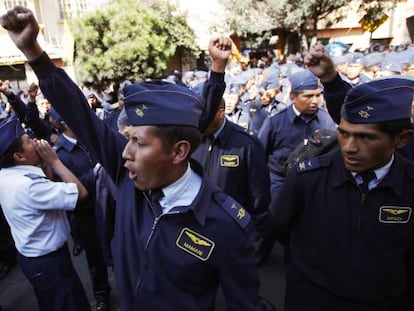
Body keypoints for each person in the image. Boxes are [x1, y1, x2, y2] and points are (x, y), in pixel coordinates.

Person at [0, 6, 263, 310]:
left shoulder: (225, 225)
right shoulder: (127, 176)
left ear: (178, 152)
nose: (125, 152)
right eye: (127, 139)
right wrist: (33, 51)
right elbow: (81, 116)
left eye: (138, 142)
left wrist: (217, 72)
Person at [268, 76, 414, 310]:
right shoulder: (308, 178)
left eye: (366, 137)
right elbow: (279, 227)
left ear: (402, 139)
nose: (349, 147)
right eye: (344, 133)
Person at [0, 116, 91, 311]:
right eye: (29, 141)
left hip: (35, 259)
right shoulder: (29, 187)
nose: (36, 142)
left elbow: (47, 186)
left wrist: (44, 163)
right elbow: (80, 193)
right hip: (50, 262)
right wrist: (55, 161)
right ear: (19, 156)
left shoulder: (7, 175)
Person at [255, 69, 337, 265]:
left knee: (303, 219)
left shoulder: (326, 120)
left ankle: (293, 256)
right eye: (308, 96)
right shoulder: (275, 121)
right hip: (279, 178)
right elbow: (260, 152)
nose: (314, 101)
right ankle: (264, 250)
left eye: (318, 95)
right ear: (292, 97)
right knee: (275, 217)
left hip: (311, 178)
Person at [49, 108, 111, 311]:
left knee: (119, 248)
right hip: (86, 214)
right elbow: (70, 190)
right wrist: (95, 173)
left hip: (108, 205)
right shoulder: (60, 155)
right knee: (95, 258)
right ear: (65, 123)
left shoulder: (89, 139)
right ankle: (102, 295)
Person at [191, 99, 270, 235]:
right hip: (195, 224)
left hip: (233, 227)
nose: (200, 121)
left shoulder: (246, 143)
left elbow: (258, 193)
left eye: (205, 116)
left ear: (221, 113)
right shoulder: (191, 140)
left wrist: (255, 230)